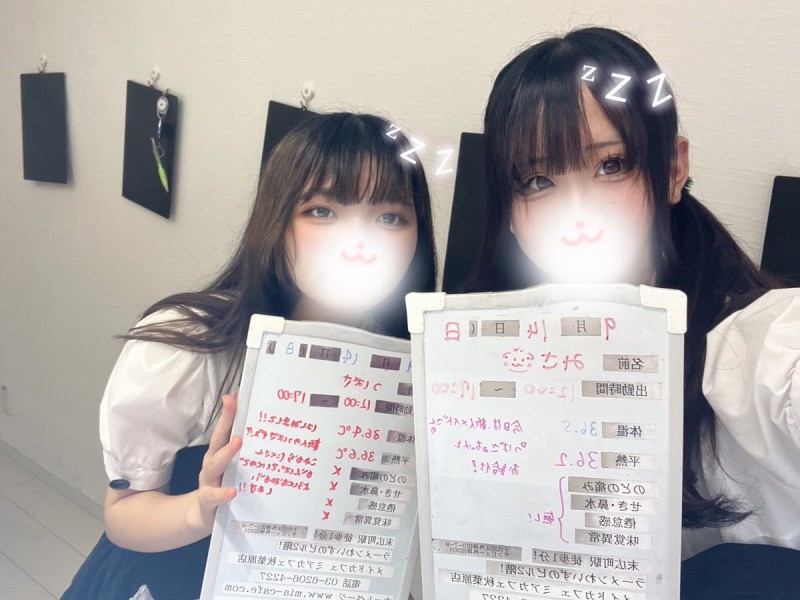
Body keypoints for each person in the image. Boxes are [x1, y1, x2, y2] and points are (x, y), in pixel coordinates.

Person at [471, 26, 800, 598]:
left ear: (673, 170)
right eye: (538, 180)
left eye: (612, 164)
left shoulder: (762, 344)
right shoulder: (480, 376)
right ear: (510, 214)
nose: (578, 213)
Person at [62, 111, 437, 600]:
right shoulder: (189, 346)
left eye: (390, 217)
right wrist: (200, 509)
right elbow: (123, 516)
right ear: (276, 220)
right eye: (322, 211)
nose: (359, 246)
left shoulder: (407, 367)